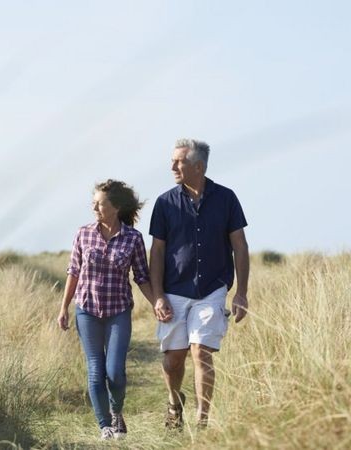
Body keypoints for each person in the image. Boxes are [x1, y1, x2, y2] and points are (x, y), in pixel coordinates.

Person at [149, 139, 249, 430]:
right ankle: (173, 402)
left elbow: (240, 247)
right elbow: (156, 252)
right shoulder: (165, 202)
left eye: (178, 162)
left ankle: (202, 421)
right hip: (173, 290)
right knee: (173, 360)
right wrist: (157, 296)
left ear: (198, 166)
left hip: (213, 288)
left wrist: (241, 293)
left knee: (200, 351)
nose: (172, 167)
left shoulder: (226, 198)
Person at [58, 179, 155, 440]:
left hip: (118, 311)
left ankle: (116, 411)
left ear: (116, 206)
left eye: (100, 203)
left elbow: (142, 277)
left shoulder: (133, 238)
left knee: (115, 373)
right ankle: (105, 426)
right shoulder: (83, 233)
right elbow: (73, 272)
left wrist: (157, 302)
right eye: (94, 203)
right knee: (95, 370)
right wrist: (64, 307)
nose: (95, 208)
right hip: (87, 310)